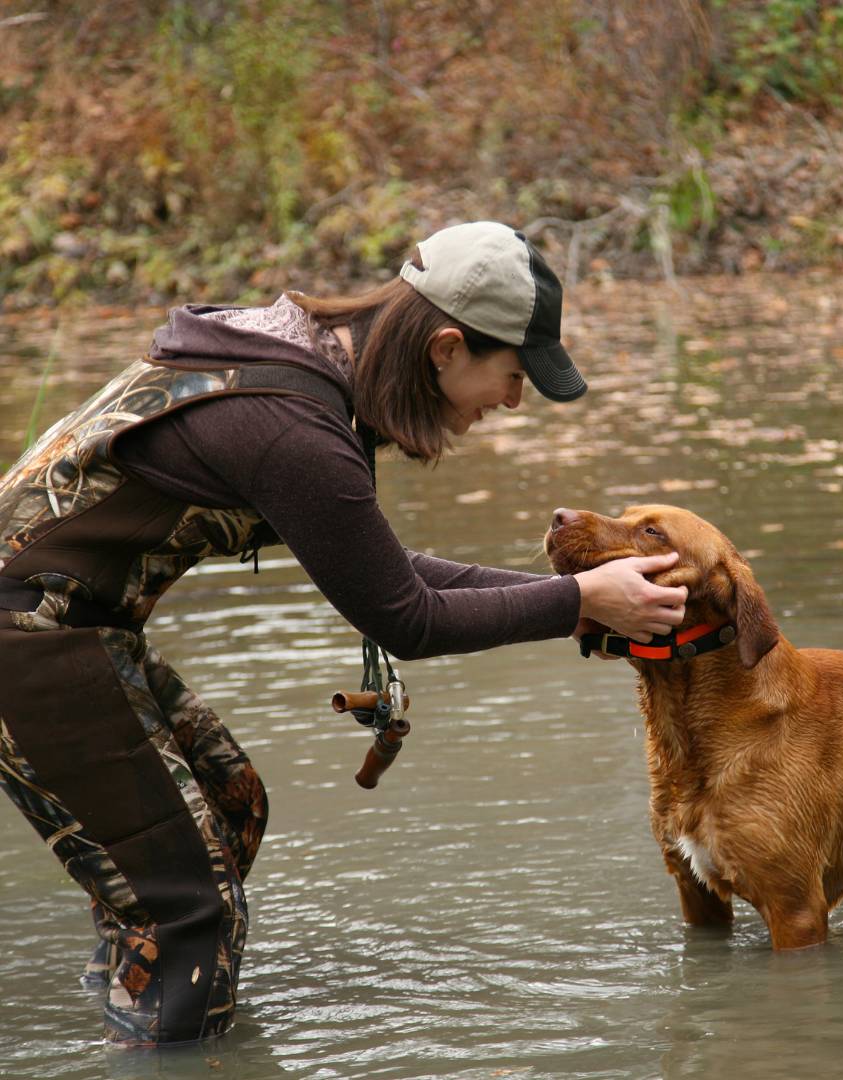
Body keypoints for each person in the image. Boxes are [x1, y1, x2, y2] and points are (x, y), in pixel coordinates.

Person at [0, 222, 686, 1047]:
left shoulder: (295, 367)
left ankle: (132, 1006)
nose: (512, 400)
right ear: (444, 348)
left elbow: (387, 569)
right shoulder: (295, 426)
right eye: (512, 375)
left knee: (229, 805)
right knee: (189, 913)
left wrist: (580, 600)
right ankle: (162, 1039)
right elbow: (406, 618)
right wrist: (579, 597)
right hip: (29, 639)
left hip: (74, 629)